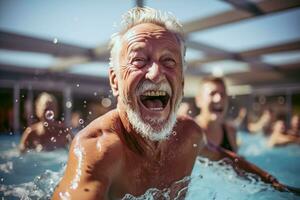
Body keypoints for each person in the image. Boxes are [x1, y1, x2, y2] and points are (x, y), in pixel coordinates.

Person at [53, 7, 286, 200]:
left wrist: (276, 185)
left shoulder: (189, 135)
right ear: (115, 81)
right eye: (139, 60)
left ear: (182, 84)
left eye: (168, 61)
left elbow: (229, 160)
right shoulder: (98, 151)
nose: (156, 74)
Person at [194, 77, 238, 152]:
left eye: (222, 94)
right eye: (212, 93)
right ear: (199, 100)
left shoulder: (230, 132)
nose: (218, 98)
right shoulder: (190, 131)